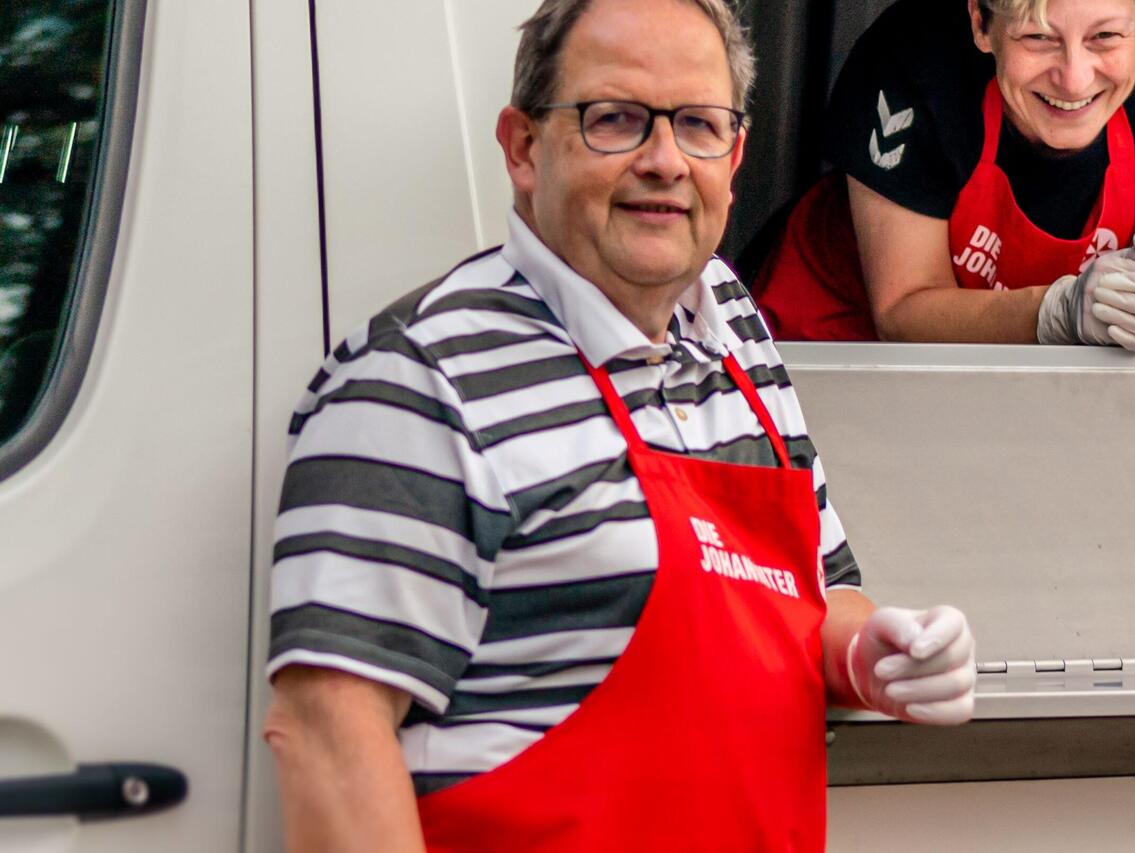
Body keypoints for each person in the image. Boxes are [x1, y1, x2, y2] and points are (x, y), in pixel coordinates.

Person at [259, 1, 978, 849]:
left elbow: (820, 596)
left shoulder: (736, 333)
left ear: (735, 157)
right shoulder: (417, 381)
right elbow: (327, 728)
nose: (665, 161)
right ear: (524, 148)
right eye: (616, 119)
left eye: (699, 124)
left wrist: (871, 656)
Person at [747, 0, 1135, 349]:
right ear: (980, 22)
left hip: (1046, 382)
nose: (1074, 78)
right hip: (832, 334)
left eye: (1106, 36)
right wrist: (1056, 312)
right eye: (1038, 37)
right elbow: (902, 309)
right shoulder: (915, 58)